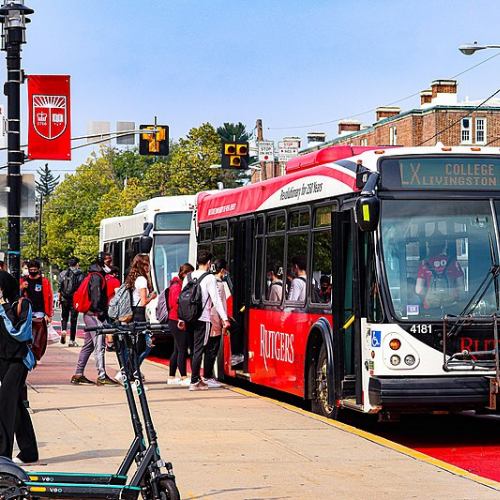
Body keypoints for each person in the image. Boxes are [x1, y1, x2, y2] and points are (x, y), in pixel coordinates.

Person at [0, 270, 38, 464]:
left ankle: (2, 453)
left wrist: (3, 309)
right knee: (14, 404)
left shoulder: (23, 304)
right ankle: (29, 451)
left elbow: (20, 333)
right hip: (2, 359)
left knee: (5, 401)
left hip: (19, 359)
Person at [179, 250, 230, 391]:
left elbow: (182, 299)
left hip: (189, 318)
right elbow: (216, 300)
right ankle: (194, 381)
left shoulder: (188, 277)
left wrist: (181, 318)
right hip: (203, 318)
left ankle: (196, 378)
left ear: (197, 262)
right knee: (199, 349)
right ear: (208, 263)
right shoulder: (210, 278)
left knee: (194, 348)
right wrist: (225, 319)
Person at [71, 253, 117, 386]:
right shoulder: (97, 277)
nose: (110, 265)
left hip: (89, 314)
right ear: (101, 263)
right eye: (108, 262)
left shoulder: (94, 274)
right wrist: (101, 315)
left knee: (88, 346)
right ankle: (102, 375)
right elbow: (96, 297)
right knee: (99, 345)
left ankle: (78, 374)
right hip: (95, 315)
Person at [124, 254, 157, 367]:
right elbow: (143, 302)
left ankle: (130, 371)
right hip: (139, 314)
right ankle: (128, 370)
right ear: (143, 266)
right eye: (147, 264)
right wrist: (152, 297)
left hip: (133, 312)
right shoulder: (142, 280)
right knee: (141, 345)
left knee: (135, 345)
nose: (149, 267)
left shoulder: (134, 278)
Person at [20, 259, 54, 363]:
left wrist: (48, 313)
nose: (33, 271)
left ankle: (35, 354)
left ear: (38, 270)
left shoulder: (43, 281)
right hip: (27, 310)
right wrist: (22, 288)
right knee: (27, 333)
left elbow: (49, 297)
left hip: (39, 311)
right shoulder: (24, 281)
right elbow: (18, 295)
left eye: (35, 269)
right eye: (31, 269)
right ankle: (28, 353)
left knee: (37, 334)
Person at [203, 258, 229, 389]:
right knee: (212, 350)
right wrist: (225, 322)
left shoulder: (207, 281)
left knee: (206, 349)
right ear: (223, 270)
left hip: (206, 319)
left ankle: (205, 376)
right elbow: (221, 304)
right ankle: (207, 377)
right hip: (215, 320)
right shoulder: (219, 285)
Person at [415, 238, 464, 309]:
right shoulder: (454, 263)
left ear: (430, 247)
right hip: (451, 306)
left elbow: (419, 290)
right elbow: (461, 289)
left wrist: (431, 295)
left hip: (430, 307)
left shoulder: (424, 264)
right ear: (444, 246)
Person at [166, 263, 194, 386]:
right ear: (184, 274)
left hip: (174, 320)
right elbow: (177, 304)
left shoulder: (176, 284)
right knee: (182, 349)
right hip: (176, 320)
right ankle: (183, 376)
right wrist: (182, 319)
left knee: (177, 349)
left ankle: (172, 376)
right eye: (190, 274)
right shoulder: (177, 287)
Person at [58, 257, 84, 347]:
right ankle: (72, 340)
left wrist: (59, 299)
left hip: (64, 298)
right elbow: (81, 287)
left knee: (64, 316)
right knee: (74, 319)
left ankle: (64, 330)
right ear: (77, 264)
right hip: (75, 299)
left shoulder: (63, 273)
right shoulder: (80, 274)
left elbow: (59, 287)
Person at [105, 265, 121, 351]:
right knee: (112, 324)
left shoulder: (105, 279)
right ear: (115, 273)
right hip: (112, 305)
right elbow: (117, 294)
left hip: (104, 304)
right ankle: (111, 344)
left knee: (107, 323)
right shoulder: (115, 281)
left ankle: (109, 343)